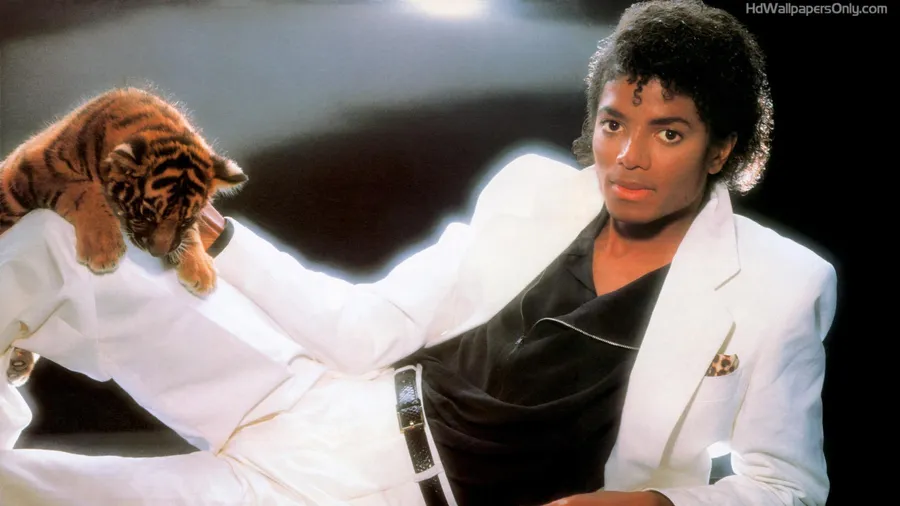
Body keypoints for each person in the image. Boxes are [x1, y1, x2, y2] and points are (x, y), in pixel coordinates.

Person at [0, 1, 837, 505]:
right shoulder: (534, 189)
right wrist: (219, 232)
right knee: (57, 244)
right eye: (616, 122)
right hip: (320, 396)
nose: (627, 157)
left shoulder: (783, 285)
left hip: (372, 498)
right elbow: (367, 328)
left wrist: (654, 503)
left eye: (669, 133)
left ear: (723, 147)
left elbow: (784, 484)